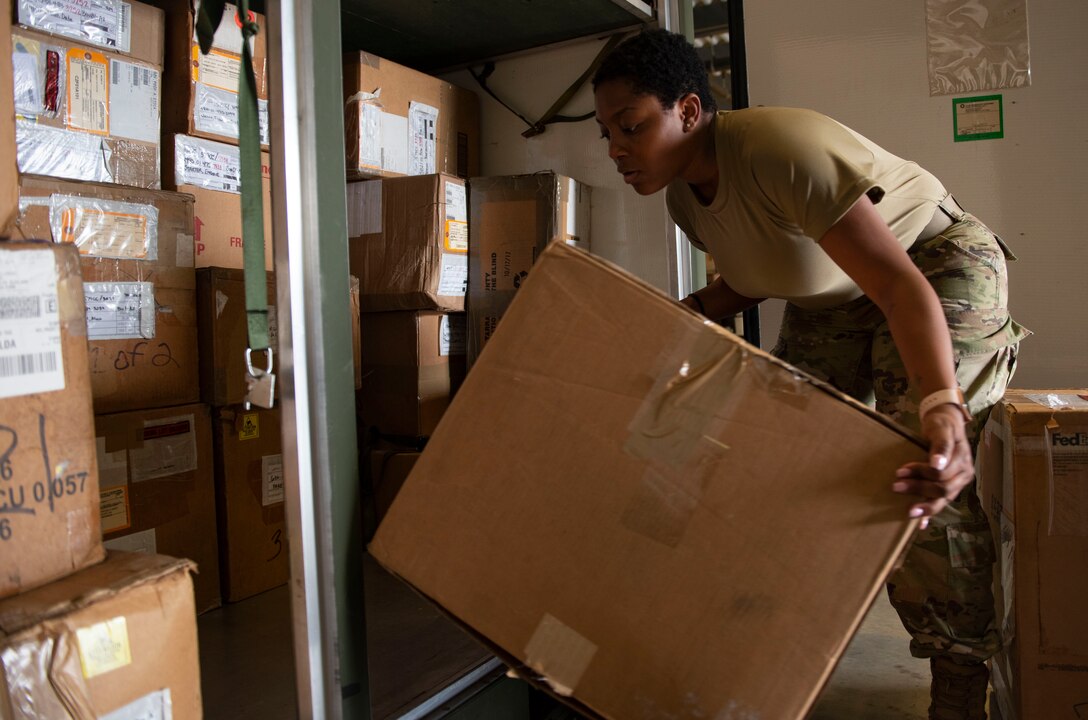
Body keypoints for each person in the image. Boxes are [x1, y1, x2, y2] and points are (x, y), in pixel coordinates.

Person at [592, 28, 1029, 720]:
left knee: (914, 462)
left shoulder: (778, 151)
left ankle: (959, 677)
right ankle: (781, 640)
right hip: (838, 295)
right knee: (780, 447)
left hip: (934, 263)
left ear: (686, 110)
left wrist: (941, 405)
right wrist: (685, 313)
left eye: (630, 126)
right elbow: (760, 269)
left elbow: (897, 284)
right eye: (606, 133)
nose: (616, 149)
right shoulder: (683, 198)